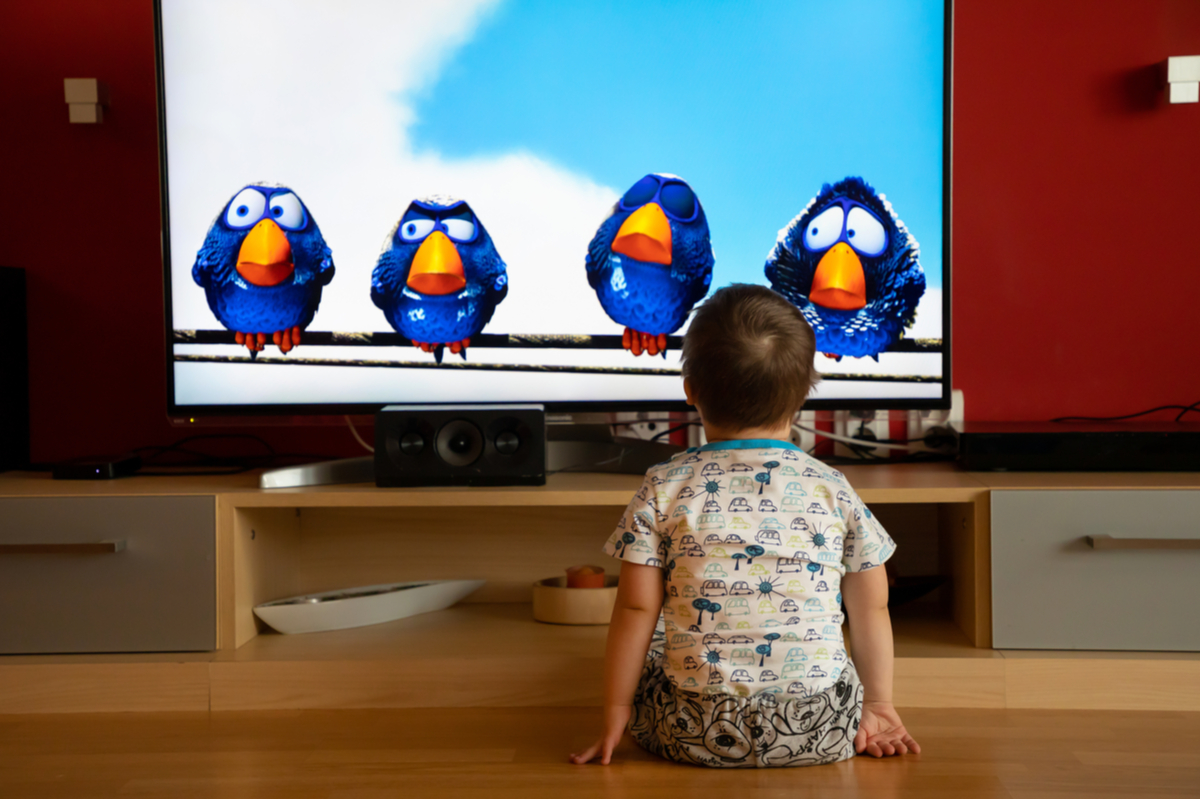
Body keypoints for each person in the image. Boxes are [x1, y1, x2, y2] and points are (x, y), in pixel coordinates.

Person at [570, 283, 920, 768]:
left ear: (690, 390)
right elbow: (871, 608)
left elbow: (633, 607)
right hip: (820, 729)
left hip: (689, 731)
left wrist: (615, 711)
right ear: (804, 395)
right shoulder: (833, 488)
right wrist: (878, 706)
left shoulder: (663, 486)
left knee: (654, 627)